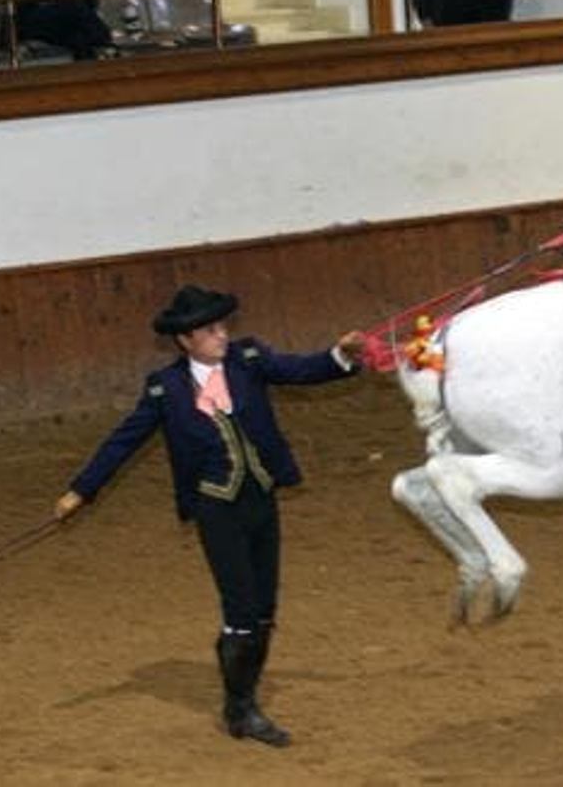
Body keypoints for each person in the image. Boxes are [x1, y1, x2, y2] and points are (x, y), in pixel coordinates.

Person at [54, 284, 367, 747]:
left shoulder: (250, 359)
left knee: (263, 610)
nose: (223, 335)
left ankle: (238, 672)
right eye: (211, 330)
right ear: (186, 340)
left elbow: (302, 369)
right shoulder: (165, 388)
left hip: (260, 497)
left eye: (223, 326)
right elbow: (124, 440)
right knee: (241, 605)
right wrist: (81, 489)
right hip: (215, 506)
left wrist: (339, 355)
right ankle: (241, 709)